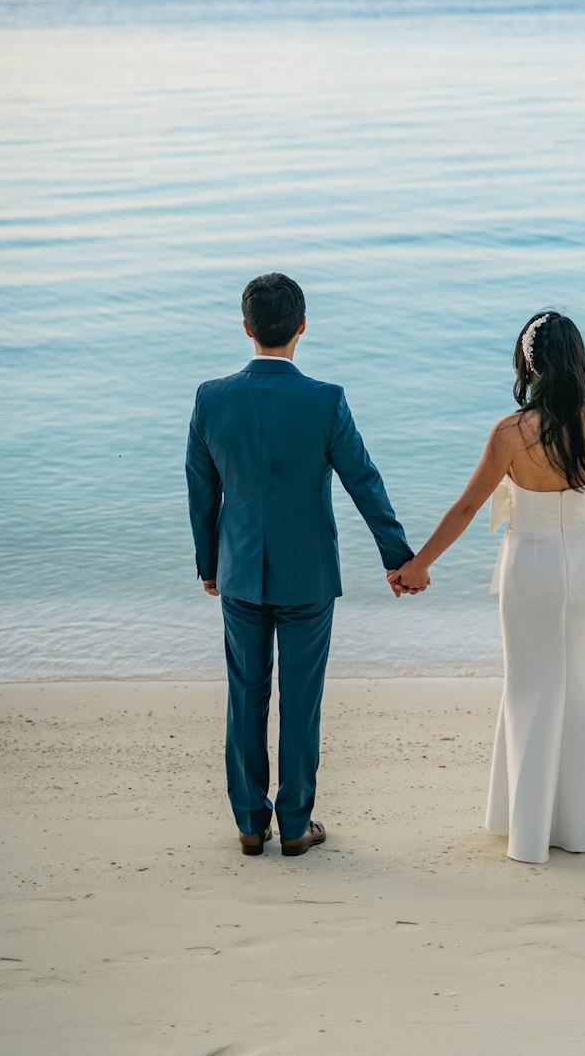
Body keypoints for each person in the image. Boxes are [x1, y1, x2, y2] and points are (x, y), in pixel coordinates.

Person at [389, 311, 585, 863]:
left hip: (531, 567)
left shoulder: (510, 433)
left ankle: (532, 823)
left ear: (529, 362)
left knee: (531, 685)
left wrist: (419, 564)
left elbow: (468, 506)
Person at [186, 272, 416, 858]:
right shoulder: (325, 400)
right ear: (303, 326)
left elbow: (201, 490)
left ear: (246, 329)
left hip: (239, 572)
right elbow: (364, 480)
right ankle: (294, 823)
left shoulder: (211, 398)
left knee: (245, 695)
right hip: (308, 577)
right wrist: (399, 557)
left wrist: (208, 564)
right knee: (301, 700)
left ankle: (247, 822)